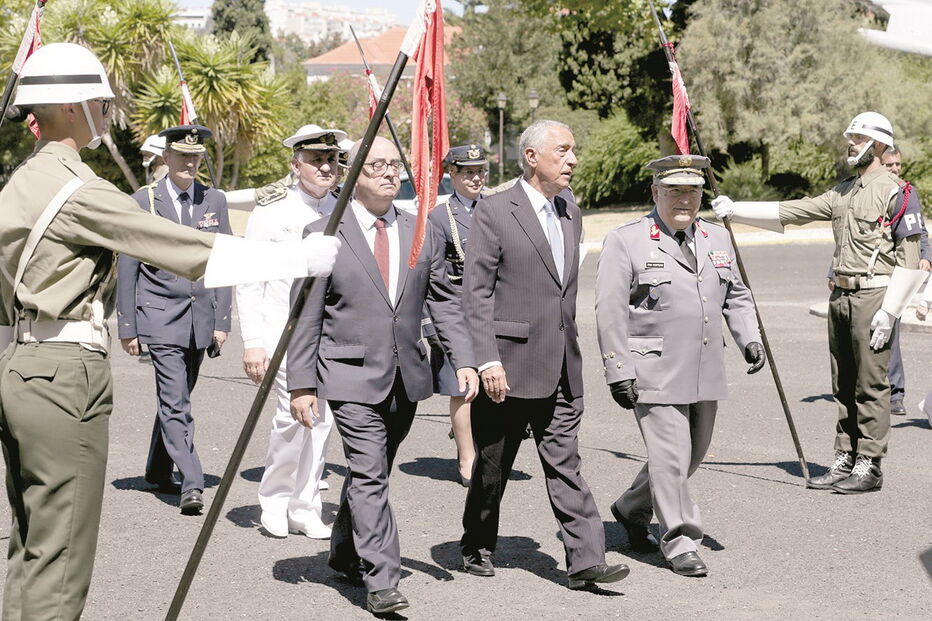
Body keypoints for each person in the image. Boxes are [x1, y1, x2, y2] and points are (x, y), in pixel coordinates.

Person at [0, 42, 339, 621]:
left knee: (31, 547)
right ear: (77, 105)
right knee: (60, 560)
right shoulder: (77, 188)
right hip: (62, 376)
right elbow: (180, 249)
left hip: (22, 362)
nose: (108, 110)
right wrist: (294, 259)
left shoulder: (21, 182)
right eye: (103, 101)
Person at [287, 137, 479, 615]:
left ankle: (343, 551)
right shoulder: (323, 232)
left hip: (405, 377)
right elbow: (306, 315)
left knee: (370, 472)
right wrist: (302, 384)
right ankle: (382, 578)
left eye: (396, 165)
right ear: (353, 174)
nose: (390, 173)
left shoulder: (422, 232)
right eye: (377, 165)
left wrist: (464, 360)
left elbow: (445, 303)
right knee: (372, 475)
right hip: (348, 373)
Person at [713, 111, 925, 494]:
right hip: (841, 296)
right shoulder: (843, 191)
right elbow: (794, 210)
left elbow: (911, 261)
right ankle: (846, 456)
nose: (851, 144)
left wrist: (890, 312)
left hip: (874, 295)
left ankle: (870, 464)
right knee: (842, 381)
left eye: (859, 139)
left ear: (879, 145)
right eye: (851, 138)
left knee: (871, 383)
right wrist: (737, 209)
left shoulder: (899, 192)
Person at [459, 119, 629, 590]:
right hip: (507, 369)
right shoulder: (494, 210)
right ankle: (476, 543)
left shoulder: (571, 209)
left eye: (574, 151)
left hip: (560, 366)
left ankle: (586, 561)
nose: (573, 159)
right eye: (563, 150)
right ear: (532, 156)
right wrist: (487, 359)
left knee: (566, 463)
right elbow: (476, 295)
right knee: (492, 468)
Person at [595, 155, 764, 576]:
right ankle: (680, 539)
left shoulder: (717, 238)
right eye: (675, 191)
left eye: (693, 191)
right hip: (652, 369)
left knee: (690, 455)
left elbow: (736, 295)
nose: (685, 200)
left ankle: (631, 507)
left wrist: (750, 338)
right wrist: (618, 369)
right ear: (656, 193)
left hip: (704, 368)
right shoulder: (627, 240)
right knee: (671, 456)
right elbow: (609, 311)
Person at [237, 124, 348, 539]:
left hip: (331, 335)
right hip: (283, 332)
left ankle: (306, 505)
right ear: (295, 164)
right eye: (316, 159)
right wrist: (253, 343)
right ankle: (276, 498)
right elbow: (250, 280)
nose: (325, 167)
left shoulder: (343, 210)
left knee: (322, 423)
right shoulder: (272, 212)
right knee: (290, 418)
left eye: (331, 160)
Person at [116, 124, 233, 515]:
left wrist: (222, 320)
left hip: (200, 319)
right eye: (182, 155)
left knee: (175, 398)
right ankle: (192, 481)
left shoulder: (214, 199)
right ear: (165, 158)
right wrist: (127, 326)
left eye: (196, 156)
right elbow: (128, 263)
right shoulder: (143, 200)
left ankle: (157, 467)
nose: (190, 162)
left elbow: (223, 261)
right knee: (176, 400)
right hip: (160, 316)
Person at [827, 146, 931, 416]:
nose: (895, 168)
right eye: (890, 164)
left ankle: (895, 393)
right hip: (876, 276)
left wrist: (926, 258)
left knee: (889, 333)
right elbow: (851, 240)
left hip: (899, 276)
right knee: (871, 337)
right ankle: (870, 387)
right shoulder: (870, 191)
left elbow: (918, 233)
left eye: (898, 164)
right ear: (880, 164)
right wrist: (832, 272)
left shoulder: (904, 193)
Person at [424, 143, 488, 486]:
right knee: (462, 386)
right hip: (457, 308)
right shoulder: (439, 217)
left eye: (480, 172)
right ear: (452, 174)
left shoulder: (494, 208)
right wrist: (432, 324)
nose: (475, 178)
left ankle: (484, 443)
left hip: (493, 307)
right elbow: (432, 276)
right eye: (467, 172)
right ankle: (467, 457)